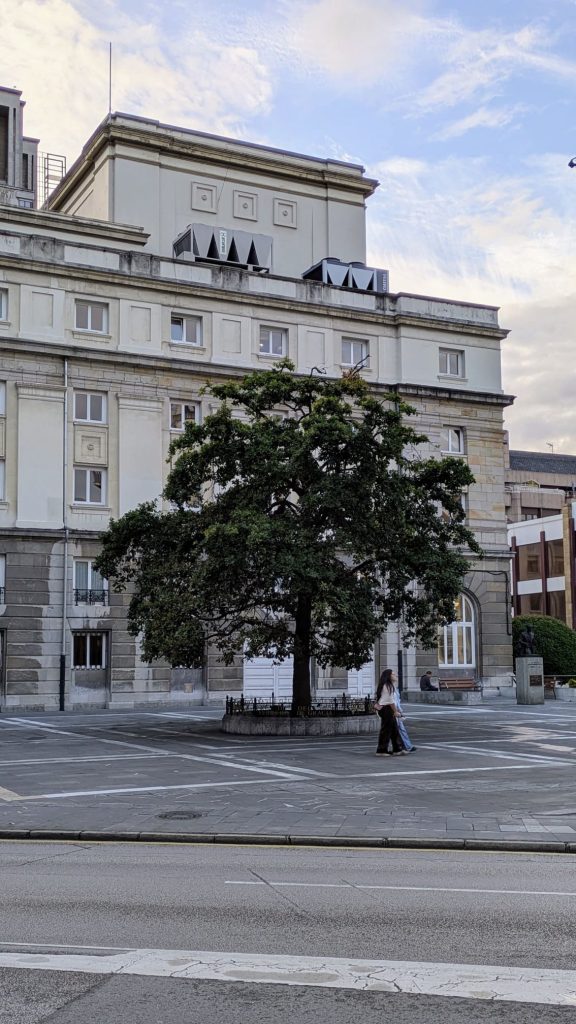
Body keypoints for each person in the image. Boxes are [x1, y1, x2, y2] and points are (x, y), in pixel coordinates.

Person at [374, 668, 404, 756]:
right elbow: (390, 701)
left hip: (386, 708)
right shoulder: (387, 686)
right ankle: (381, 750)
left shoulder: (388, 685)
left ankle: (397, 749)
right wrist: (395, 711)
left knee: (394, 729)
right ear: (389, 676)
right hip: (386, 709)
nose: (395, 676)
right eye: (393, 674)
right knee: (386, 730)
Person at [394, 688, 416, 753]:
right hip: (393, 712)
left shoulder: (395, 688)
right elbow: (393, 702)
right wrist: (398, 710)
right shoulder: (389, 688)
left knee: (401, 729)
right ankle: (405, 746)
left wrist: (400, 711)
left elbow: (397, 701)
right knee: (396, 730)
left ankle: (407, 746)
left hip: (396, 711)